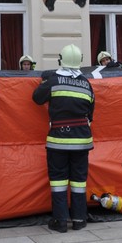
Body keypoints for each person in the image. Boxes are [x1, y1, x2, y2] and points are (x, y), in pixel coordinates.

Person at [32, 44, 95, 232]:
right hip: (82, 141)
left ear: (61, 61)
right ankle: (79, 220)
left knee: (58, 181)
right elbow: (91, 113)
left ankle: (60, 221)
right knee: (79, 182)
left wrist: (46, 81)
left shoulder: (53, 81)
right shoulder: (86, 83)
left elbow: (36, 98)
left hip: (58, 141)